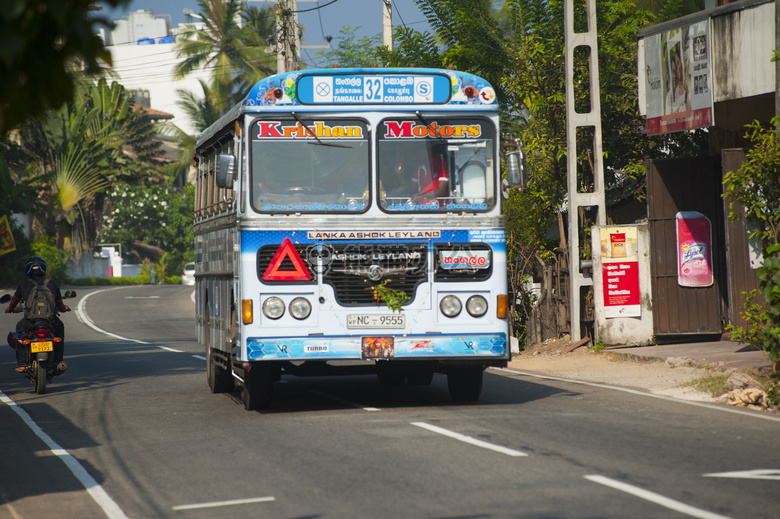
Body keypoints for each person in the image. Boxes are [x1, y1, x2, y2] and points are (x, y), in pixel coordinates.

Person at [5, 256, 70, 375]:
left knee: (20, 332)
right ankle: (57, 361)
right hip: (50, 321)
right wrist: (64, 308)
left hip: (30, 322)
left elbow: (14, 300)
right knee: (59, 329)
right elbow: (60, 305)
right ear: (43, 269)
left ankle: (22, 364)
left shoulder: (24, 285)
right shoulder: (52, 284)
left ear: (28, 269)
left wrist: (10, 308)